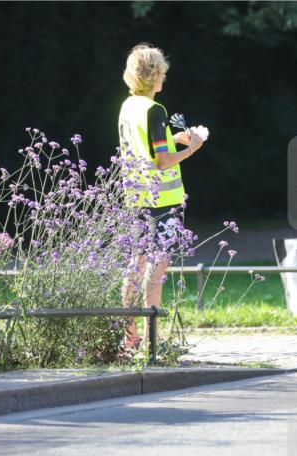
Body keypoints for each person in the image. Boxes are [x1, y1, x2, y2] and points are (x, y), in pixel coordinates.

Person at [117, 43, 206, 350]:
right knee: (156, 271)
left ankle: (129, 340)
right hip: (163, 203)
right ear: (154, 75)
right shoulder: (156, 110)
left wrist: (172, 135)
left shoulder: (129, 106)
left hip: (135, 198)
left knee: (134, 266)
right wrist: (190, 148)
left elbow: (148, 142)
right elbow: (162, 160)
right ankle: (152, 341)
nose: (165, 78)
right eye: (163, 73)